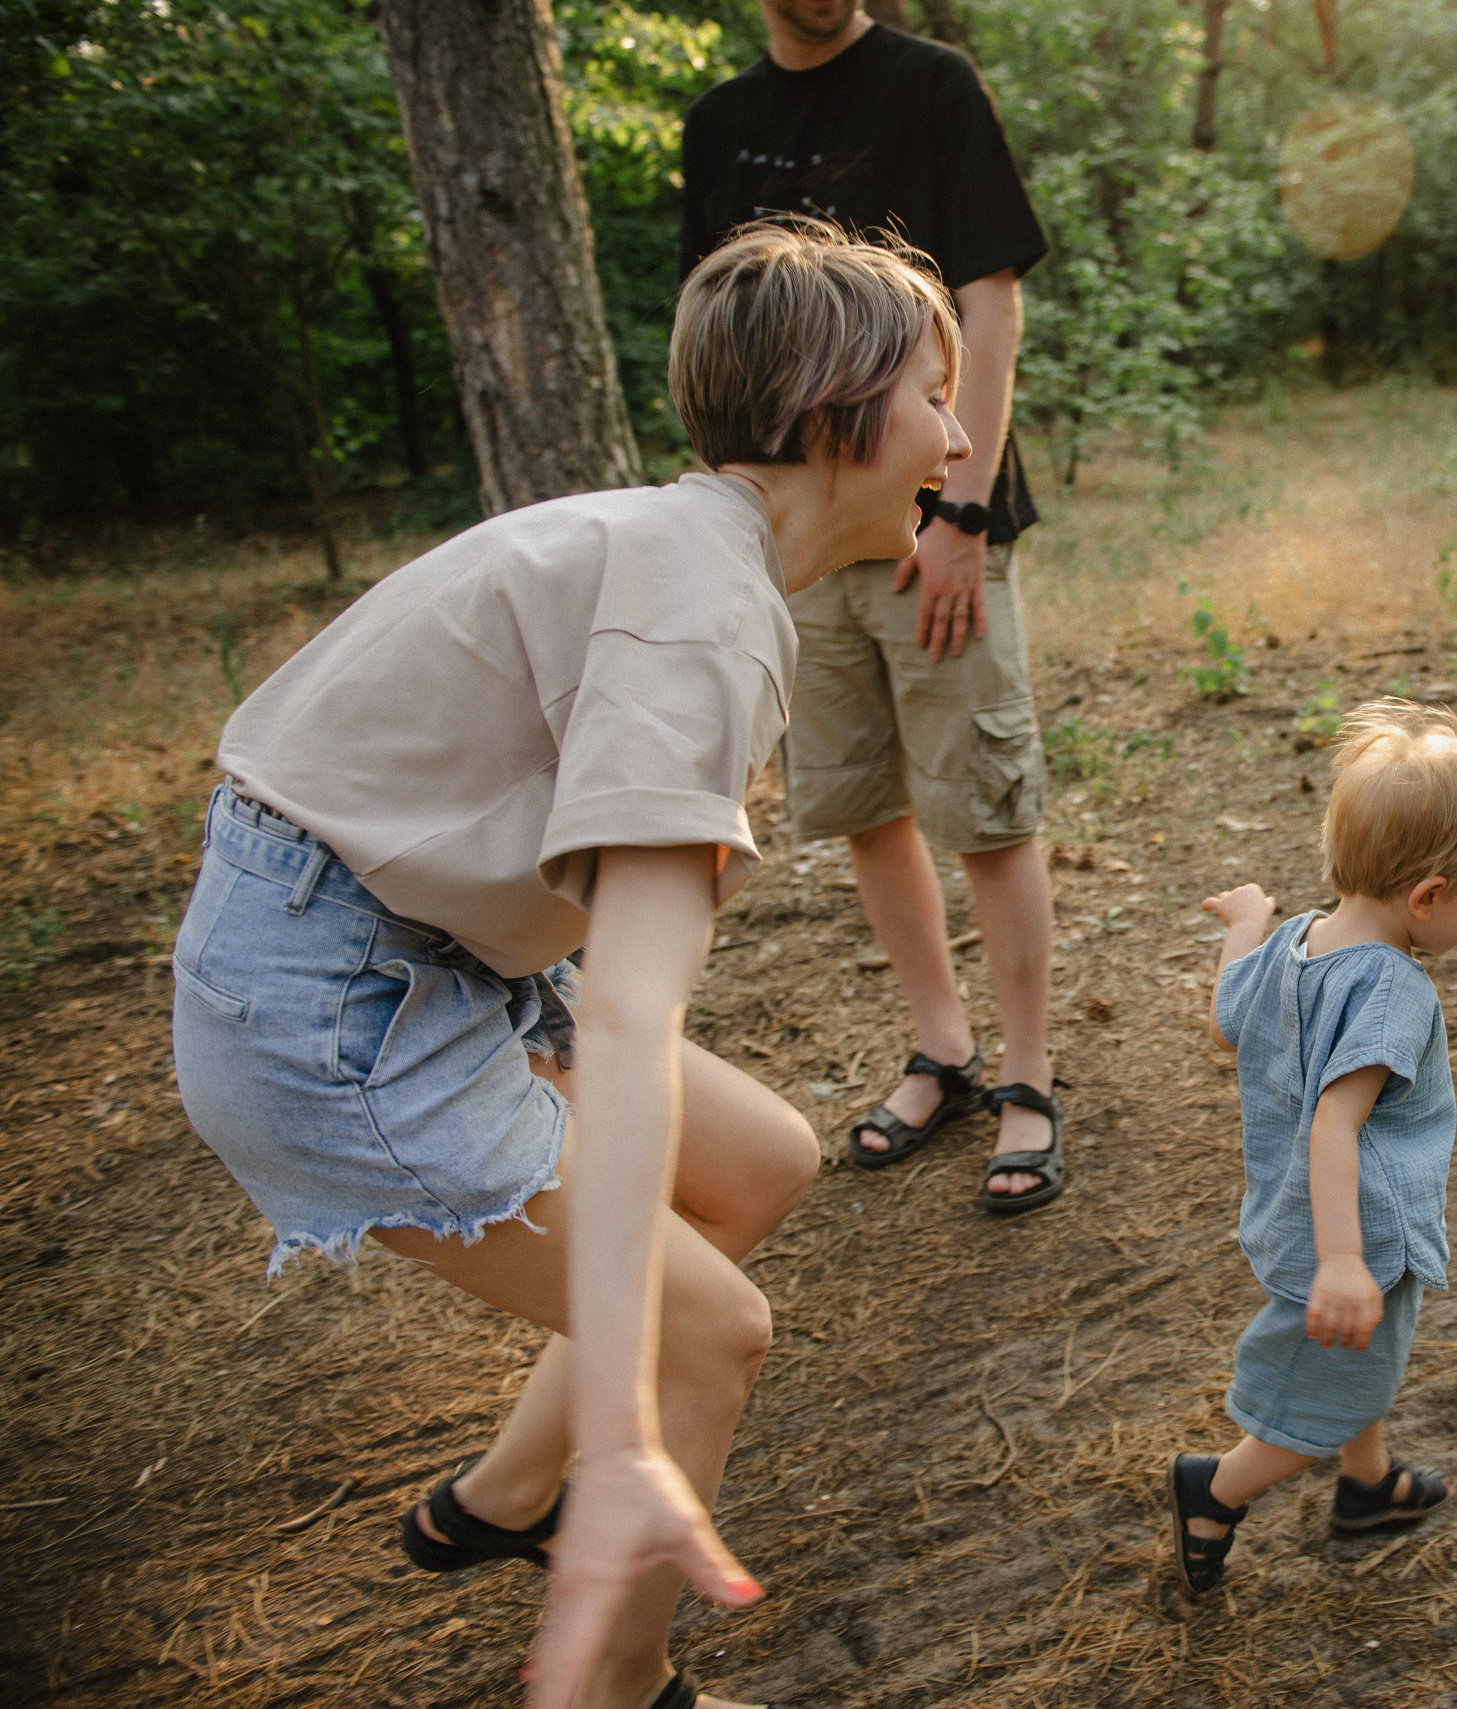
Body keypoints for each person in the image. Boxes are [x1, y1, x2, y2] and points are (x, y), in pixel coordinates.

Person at [169, 221, 967, 1709]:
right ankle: (624, 1686)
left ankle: (502, 1499)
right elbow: (634, 1007)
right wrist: (630, 1425)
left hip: (408, 939)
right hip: (326, 997)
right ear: (833, 413)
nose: (959, 438)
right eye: (935, 396)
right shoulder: (701, 612)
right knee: (708, 1336)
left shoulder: (682, 548)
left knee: (761, 1162)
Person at [681, 1, 1065, 1212]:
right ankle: (941, 1049)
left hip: (931, 519)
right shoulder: (721, 122)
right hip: (798, 535)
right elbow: (722, 339)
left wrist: (961, 511)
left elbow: (988, 303)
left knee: (983, 803)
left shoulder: (930, 85)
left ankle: (1027, 1073)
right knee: (860, 800)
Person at [1168, 701, 1457, 1595]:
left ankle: (1367, 1483)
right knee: (1321, 1398)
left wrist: (1245, 924)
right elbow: (1335, 1123)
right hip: (1354, 1232)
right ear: (1428, 897)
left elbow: (1226, 1023)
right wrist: (1344, 1262)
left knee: (1360, 1362)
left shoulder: (1297, 939)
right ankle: (1214, 1490)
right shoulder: (1393, 991)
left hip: (1290, 1211)